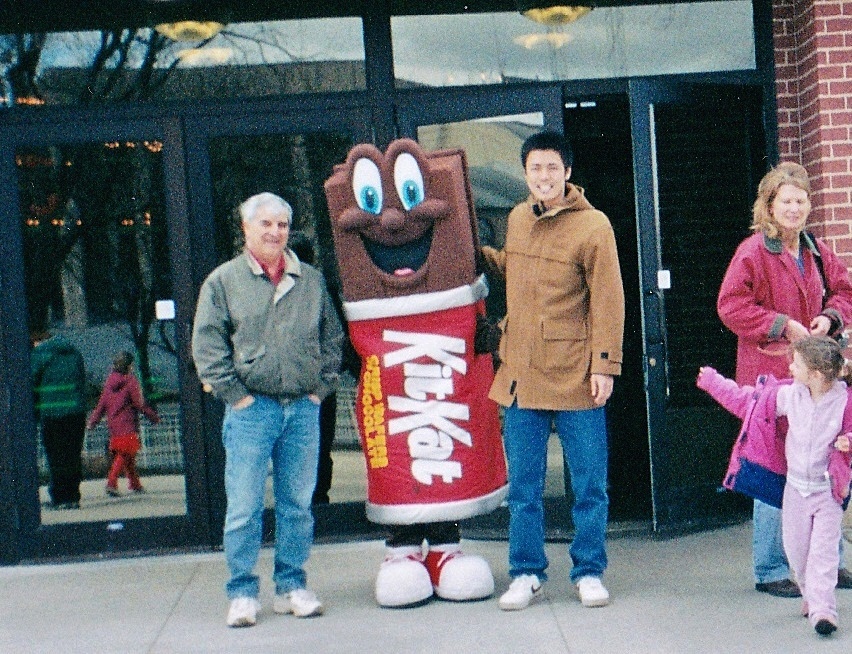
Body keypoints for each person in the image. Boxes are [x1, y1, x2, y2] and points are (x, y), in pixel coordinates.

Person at [482, 131, 625, 610]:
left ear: (567, 172)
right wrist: (474, 252)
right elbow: (514, 271)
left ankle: (589, 571)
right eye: (534, 168)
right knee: (524, 488)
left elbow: (608, 299)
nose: (543, 176)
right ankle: (526, 572)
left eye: (551, 168)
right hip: (522, 373)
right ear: (525, 173)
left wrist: (604, 366)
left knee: (589, 485)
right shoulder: (517, 218)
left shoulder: (594, 225)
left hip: (576, 374)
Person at [192, 192, 343, 628]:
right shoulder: (223, 282)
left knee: (297, 505)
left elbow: (332, 337)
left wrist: (321, 388)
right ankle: (242, 593)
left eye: (282, 224)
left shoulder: (311, 280)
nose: (275, 232)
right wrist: (235, 396)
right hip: (251, 411)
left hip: (302, 409)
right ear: (246, 229)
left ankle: (291, 587)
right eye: (266, 224)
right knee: (244, 507)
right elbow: (207, 345)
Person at [717, 162, 852, 598]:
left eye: (800, 200)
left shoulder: (817, 250)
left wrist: (829, 318)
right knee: (775, 465)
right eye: (786, 201)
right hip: (772, 376)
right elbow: (730, 306)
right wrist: (780, 324)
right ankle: (771, 567)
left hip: (818, 380)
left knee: (828, 464)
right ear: (770, 206)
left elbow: (845, 292)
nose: (794, 208)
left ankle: (827, 563)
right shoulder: (752, 251)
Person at [698, 336, 852, 636]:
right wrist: (714, 383)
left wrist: (849, 441)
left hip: (828, 491)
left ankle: (823, 610)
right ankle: (810, 593)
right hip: (795, 490)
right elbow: (748, 401)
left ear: (816, 374)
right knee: (797, 551)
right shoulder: (788, 395)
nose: (790, 368)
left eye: (796, 364)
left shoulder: (845, 401)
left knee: (823, 553)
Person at [287, 231, 339, 506]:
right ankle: (318, 498)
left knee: (296, 447)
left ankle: (306, 498)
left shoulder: (314, 287)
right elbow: (336, 336)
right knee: (320, 445)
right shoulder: (321, 286)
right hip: (317, 383)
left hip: (297, 382)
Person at [87, 350, 160, 496]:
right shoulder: (131, 381)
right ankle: (111, 483)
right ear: (128, 365)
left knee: (128, 457)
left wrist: (92, 422)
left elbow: (101, 405)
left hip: (114, 427)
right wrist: (153, 417)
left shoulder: (108, 384)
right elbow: (139, 403)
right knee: (124, 455)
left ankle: (135, 484)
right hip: (128, 425)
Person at [30, 329, 87, 510]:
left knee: (56, 456)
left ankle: (60, 497)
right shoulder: (74, 352)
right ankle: (73, 496)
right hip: (76, 411)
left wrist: (33, 412)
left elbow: (31, 382)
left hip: (52, 411)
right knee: (72, 454)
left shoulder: (39, 354)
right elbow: (81, 379)